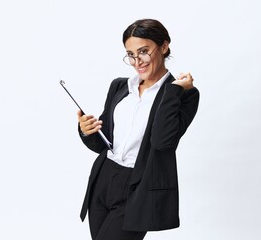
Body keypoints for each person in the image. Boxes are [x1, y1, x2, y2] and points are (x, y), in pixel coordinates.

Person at [77, 19, 199, 240]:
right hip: (103, 179)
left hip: (138, 187)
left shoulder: (185, 94)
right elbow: (103, 143)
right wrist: (87, 130)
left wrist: (173, 91)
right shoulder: (120, 86)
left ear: (163, 46)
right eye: (130, 54)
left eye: (143, 51)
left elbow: (163, 142)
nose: (137, 61)